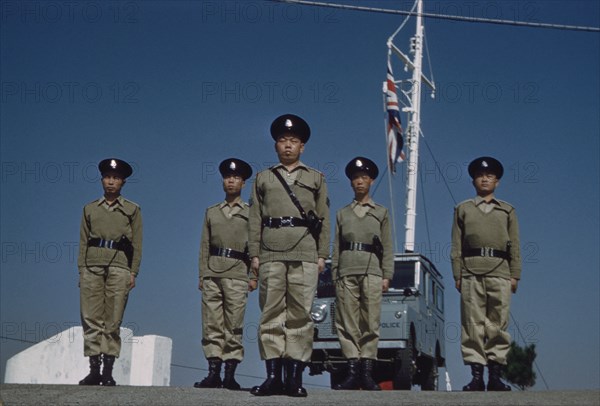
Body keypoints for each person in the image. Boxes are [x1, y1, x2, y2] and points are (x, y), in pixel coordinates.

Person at [248, 114, 330, 397]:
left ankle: (294, 378)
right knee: (270, 314)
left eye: (293, 141)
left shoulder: (316, 178)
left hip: (305, 252)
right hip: (270, 251)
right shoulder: (263, 178)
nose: (288, 146)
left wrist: (322, 255)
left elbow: (324, 219)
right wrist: (255, 255)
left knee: (300, 315)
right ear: (275, 145)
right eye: (283, 140)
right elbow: (254, 219)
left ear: (302, 147)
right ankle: (273, 378)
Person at [451, 156, 522, 392]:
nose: (484, 179)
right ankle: (476, 377)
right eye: (480, 176)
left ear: (497, 182)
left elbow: (516, 245)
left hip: (500, 271)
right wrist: (457, 274)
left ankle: (495, 377)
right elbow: (456, 246)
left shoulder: (507, 210)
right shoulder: (463, 209)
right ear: (473, 180)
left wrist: (515, 275)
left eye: (489, 176)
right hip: (471, 271)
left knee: (497, 324)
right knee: (472, 324)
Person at [77, 158, 142, 386]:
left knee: (113, 319)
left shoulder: (132, 210)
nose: (110, 182)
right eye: (107, 177)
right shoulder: (90, 209)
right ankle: (94, 369)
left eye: (115, 178)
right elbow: (83, 241)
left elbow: (138, 244)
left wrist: (133, 272)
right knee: (91, 318)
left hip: (119, 266)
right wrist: (81, 269)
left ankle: (108, 371)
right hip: (92, 265)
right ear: (102, 179)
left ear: (122, 182)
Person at [331, 157, 394, 391]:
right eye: (355, 178)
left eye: (364, 178)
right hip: (347, 271)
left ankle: (367, 373)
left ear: (371, 181)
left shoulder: (381, 212)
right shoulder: (342, 213)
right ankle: (352, 372)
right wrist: (335, 273)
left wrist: (387, 275)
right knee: (347, 323)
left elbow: (387, 246)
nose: (360, 182)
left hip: (372, 272)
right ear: (351, 183)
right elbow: (336, 247)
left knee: (370, 322)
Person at [194, 158, 256, 390]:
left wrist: (254, 276)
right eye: (228, 177)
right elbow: (204, 245)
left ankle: (230, 374)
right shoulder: (212, 212)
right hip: (213, 272)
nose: (231, 181)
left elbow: (255, 246)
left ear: (243, 182)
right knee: (211, 324)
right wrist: (202, 273)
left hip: (238, 273)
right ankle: (213, 374)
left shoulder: (251, 213)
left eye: (236, 178)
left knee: (234, 325)